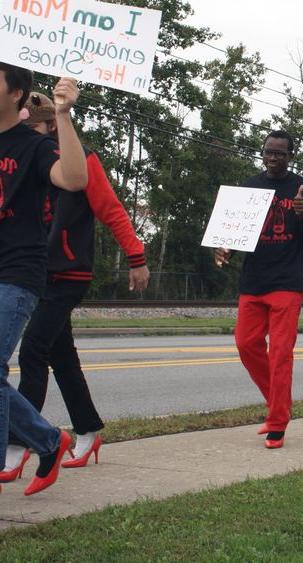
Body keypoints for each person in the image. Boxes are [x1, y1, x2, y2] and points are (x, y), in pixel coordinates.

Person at [3, 93, 150, 476]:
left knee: (33, 350)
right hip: (33, 270)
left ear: (51, 125)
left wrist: (136, 257)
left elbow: (111, 208)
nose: (24, 135)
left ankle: (19, 444)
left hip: (68, 271)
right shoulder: (21, 155)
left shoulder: (80, 159)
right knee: (61, 356)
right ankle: (87, 430)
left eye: (31, 127)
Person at [0, 65, 88, 496]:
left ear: (17, 93)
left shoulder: (33, 146)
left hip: (15, 273)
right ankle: (50, 442)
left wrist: (65, 115)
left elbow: (74, 179)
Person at [215, 130, 303, 449]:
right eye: (268, 151)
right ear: (262, 153)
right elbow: (236, 233)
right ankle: (280, 404)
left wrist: (302, 214)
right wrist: (225, 249)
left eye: (280, 153)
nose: (273, 157)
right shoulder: (249, 187)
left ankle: (277, 421)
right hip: (253, 280)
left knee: (279, 352)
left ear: (291, 155)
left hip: (287, 282)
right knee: (245, 343)